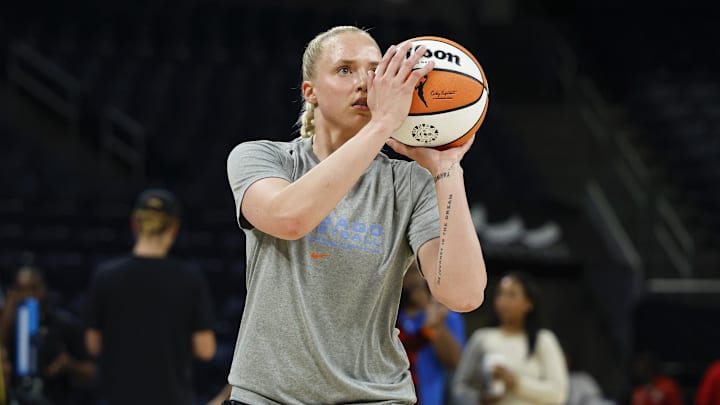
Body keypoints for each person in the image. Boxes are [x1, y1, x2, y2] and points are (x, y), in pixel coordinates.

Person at [225, 25, 487, 404]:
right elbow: (290, 220)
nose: (365, 82)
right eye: (345, 70)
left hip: (373, 396)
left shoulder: (408, 183)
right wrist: (382, 125)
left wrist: (447, 168)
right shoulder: (263, 158)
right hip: (265, 397)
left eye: (374, 69)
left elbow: (463, 295)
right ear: (309, 92)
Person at [85, 188, 216, 405]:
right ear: (174, 227)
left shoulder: (106, 276)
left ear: (135, 223)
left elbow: (93, 345)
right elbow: (206, 348)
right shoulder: (189, 279)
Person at [452, 272, 568, 405]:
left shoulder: (543, 340)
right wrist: (479, 399)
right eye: (500, 294)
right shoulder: (482, 338)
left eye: (512, 295)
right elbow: (459, 387)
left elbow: (559, 394)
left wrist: (516, 382)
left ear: (528, 303)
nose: (503, 302)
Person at [0, 266, 96, 405]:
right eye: (20, 290)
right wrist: (8, 311)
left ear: (44, 289)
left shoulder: (65, 325)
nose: (27, 295)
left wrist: (70, 365)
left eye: (33, 289)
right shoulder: (10, 326)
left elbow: (93, 374)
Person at [398, 264, 465, 404]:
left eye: (416, 272)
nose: (412, 279)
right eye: (406, 272)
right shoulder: (388, 315)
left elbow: (454, 362)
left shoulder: (447, 315)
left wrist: (436, 324)